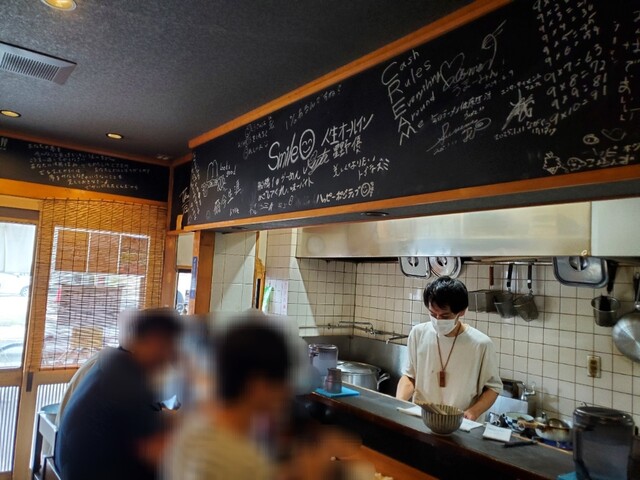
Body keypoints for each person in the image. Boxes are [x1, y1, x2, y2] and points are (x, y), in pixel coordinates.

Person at [164, 312, 358, 480]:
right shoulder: (243, 460)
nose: (286, 391)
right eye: (281, 381)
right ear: (258, 385)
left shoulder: (191, 430)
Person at [55, 308, 183, 480]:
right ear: (154, 340)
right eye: (169, 345)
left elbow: (139, 419)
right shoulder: (129, 382)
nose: (170, 355)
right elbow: (156, 452)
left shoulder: (113, 362)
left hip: (71, 466)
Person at [396, 276, 502, 421]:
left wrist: (473, 412)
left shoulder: (480, 344)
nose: (438, 320)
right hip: (422, 419)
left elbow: (492, 388)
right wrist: (398, 402)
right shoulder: (418, 333)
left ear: (462, 311)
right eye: (433, 314)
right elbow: (410, 376)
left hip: (460, 423)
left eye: (445, 316)